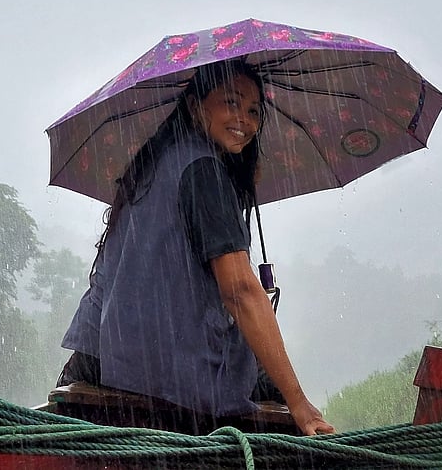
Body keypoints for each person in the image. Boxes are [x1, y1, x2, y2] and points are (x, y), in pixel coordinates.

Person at [58, 58, 335, 436]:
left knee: (264, 381)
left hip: (99, 357)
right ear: (194, 106)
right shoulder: (203, 172)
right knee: (282, 409)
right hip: (151, 373)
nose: (245, 120)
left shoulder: (158, 163)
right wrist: (300, 405)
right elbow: (240, 291)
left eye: (254, 111)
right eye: (231, 103)